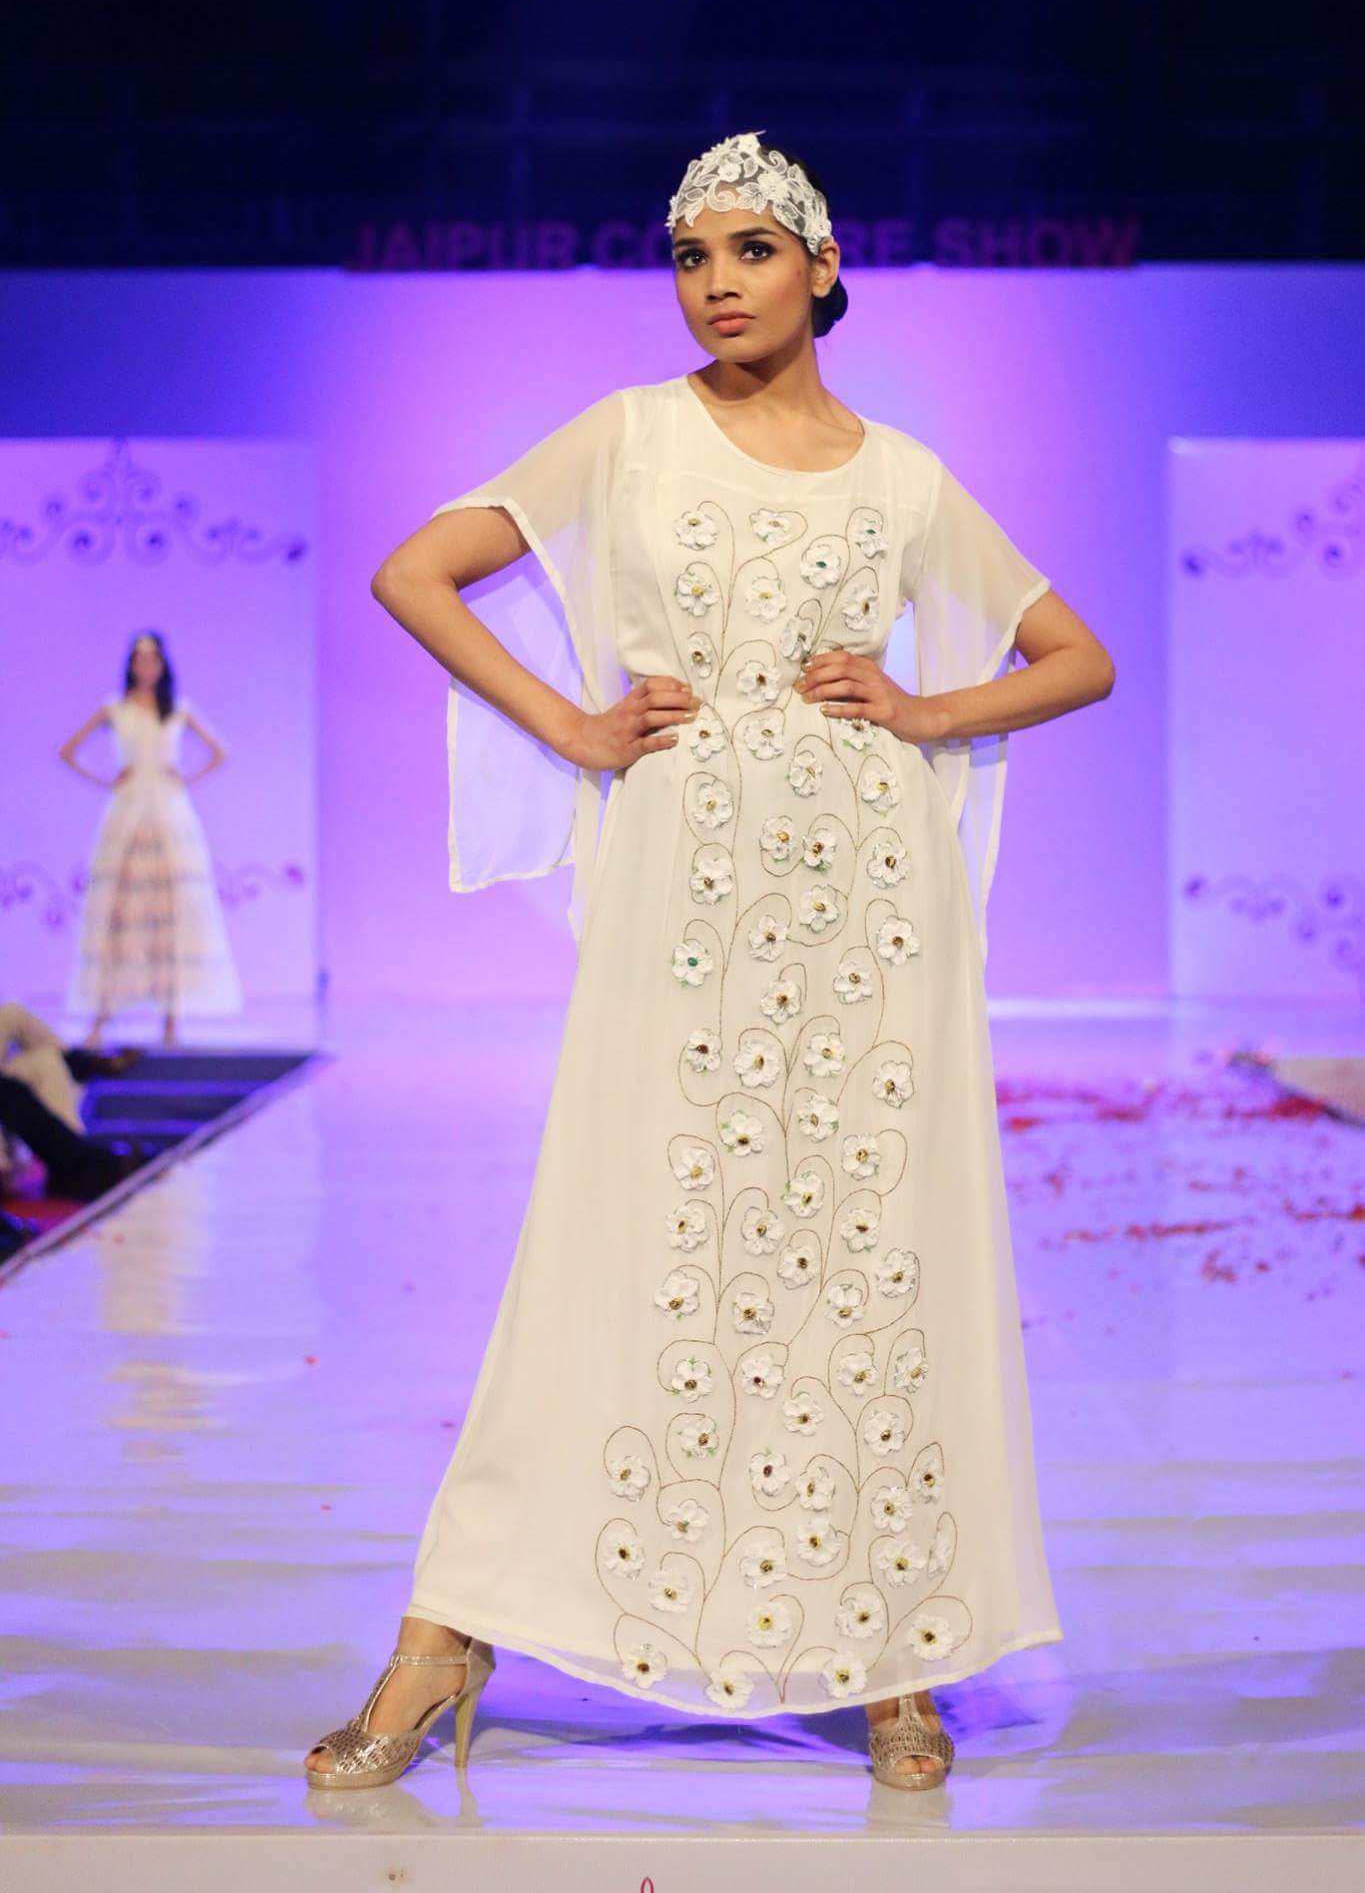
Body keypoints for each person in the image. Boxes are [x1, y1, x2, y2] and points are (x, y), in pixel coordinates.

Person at [305, 130, 1114, 1792]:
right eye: (690, 255)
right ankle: (447, 1631)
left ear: (823, 267)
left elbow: (1074, 656)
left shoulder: (902, 477)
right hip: (682, 885)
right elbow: (415, 573)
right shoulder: (626, 437)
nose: (717, 283)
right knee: (612, 1240)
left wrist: (928, 708)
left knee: (879, 1258)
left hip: (873, 909)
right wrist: (574, 726)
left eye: (751, 249)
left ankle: (900, 1653)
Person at [58, 630, 243, 1046]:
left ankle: (171, 1021)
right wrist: (105, 780)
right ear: (131, 665)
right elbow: (68, 751)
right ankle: (101, 1019)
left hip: (169, 814)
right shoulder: (115, 708)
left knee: (171, 914)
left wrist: (186, 779)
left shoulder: (177, 709)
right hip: (127, 813)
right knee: (119, 915)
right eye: (139, 659)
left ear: (162, 665)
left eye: (152, 658)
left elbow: (220, 751)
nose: (146, 666)